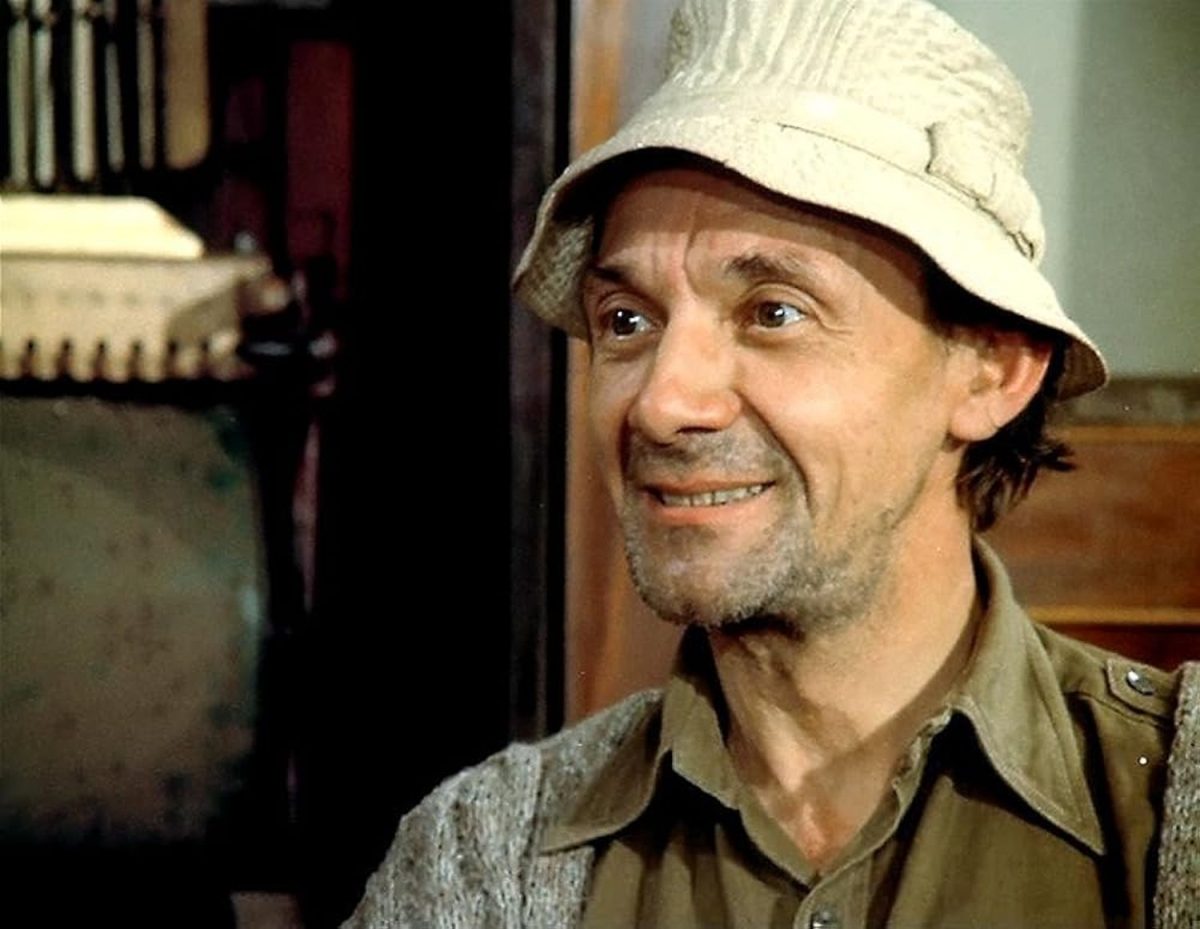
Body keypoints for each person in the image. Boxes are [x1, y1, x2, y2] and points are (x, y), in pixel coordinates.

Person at [345, 0, 1200, 926]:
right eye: (626, 321)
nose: (663, 400)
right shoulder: (486, 858)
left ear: (991, 370)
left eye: (774, 312)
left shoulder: (1171, 809)